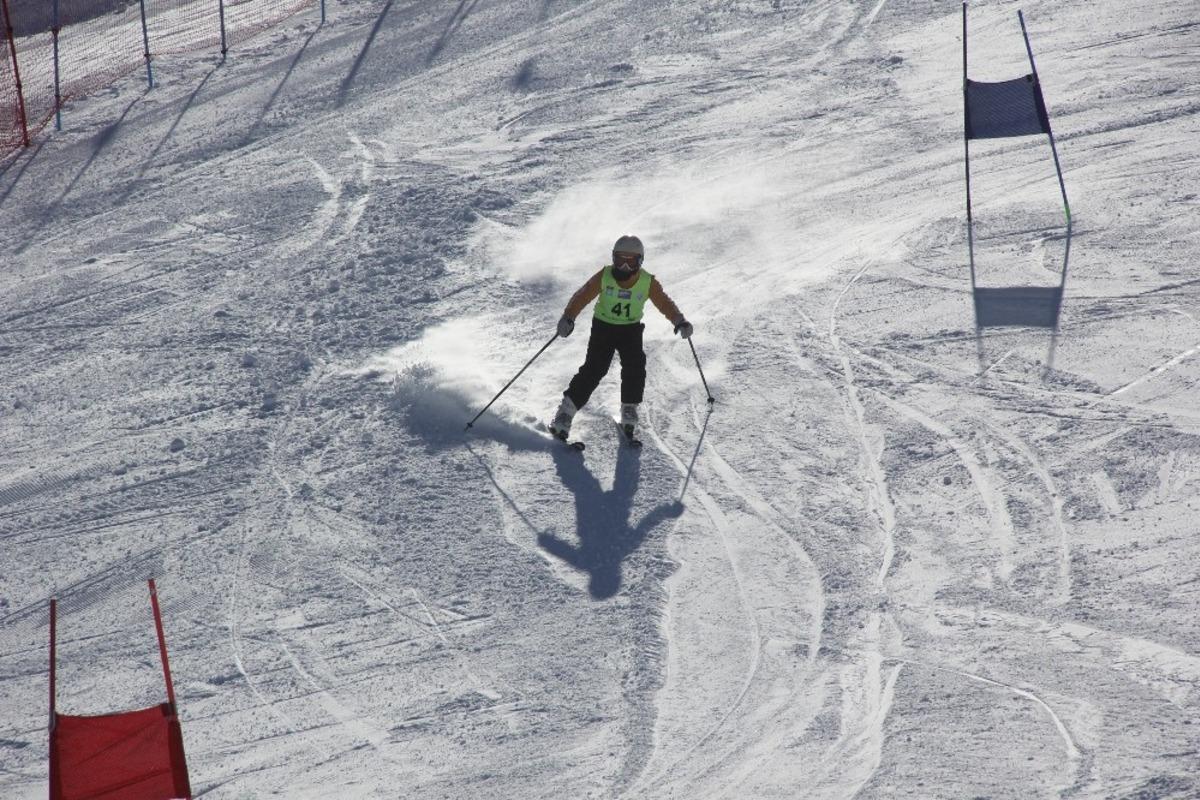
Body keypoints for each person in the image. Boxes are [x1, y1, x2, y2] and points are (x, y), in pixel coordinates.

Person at [549, 234, 693, 441]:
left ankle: (629, 408)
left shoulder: (647, 281)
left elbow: (664, 302)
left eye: (630, 261)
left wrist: (679, 320)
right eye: (620, 260)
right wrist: (568, 316)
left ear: (640, 262)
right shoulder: (605, 275)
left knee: (635, 366)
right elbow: (583, 295)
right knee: (595, 368)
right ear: (613, 258)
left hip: (630, 329)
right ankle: (566, 412)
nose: (624, 267)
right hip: (603, 328)